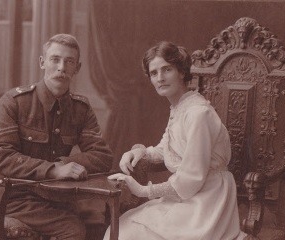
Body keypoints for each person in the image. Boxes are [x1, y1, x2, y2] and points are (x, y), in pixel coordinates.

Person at [105, 41, 247, 240]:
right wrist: (139, 151)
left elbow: (192, 177)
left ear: (181, 72)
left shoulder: (198, 113)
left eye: (167, 69)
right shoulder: (180, 108)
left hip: (207, 200)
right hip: (190, 195)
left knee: (129, 233)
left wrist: (144, 190)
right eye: (154, 73)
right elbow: (167, 150)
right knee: (123, 227)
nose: (160, 78)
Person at [0, 33, 113, 240]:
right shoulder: (14, 102)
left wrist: (64, 163)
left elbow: (102, 155)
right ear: (42, 63)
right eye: (55, 59)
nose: (61, 67)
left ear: (77, 68)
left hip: (53, 196)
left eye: (69, 62)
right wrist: (53, 170)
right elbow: (2, 158)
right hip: (10, 196)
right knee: (72, 229)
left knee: (99, 221)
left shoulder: (80, 109)